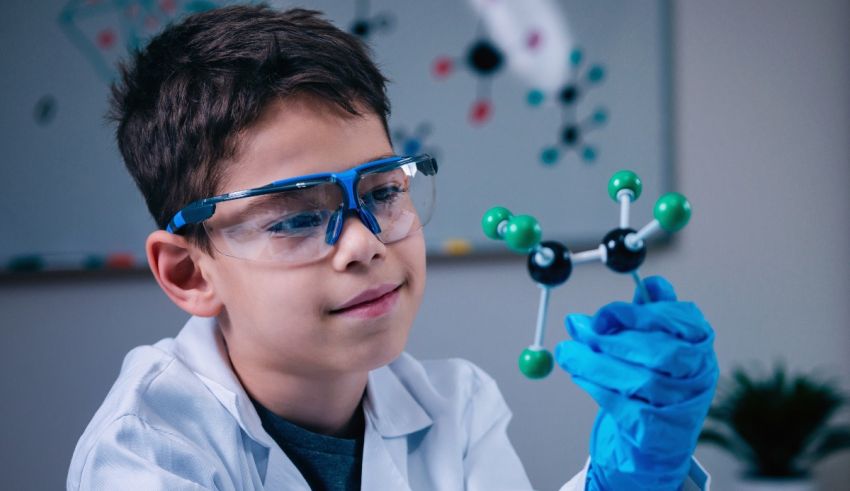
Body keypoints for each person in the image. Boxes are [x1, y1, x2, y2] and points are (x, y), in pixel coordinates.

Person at [67, 5, 718, 490]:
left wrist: (630, 480)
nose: (363, 242)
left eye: (381, 192)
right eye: (294, 219)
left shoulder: (458, 407)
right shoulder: (147, 453)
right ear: (189, 272)